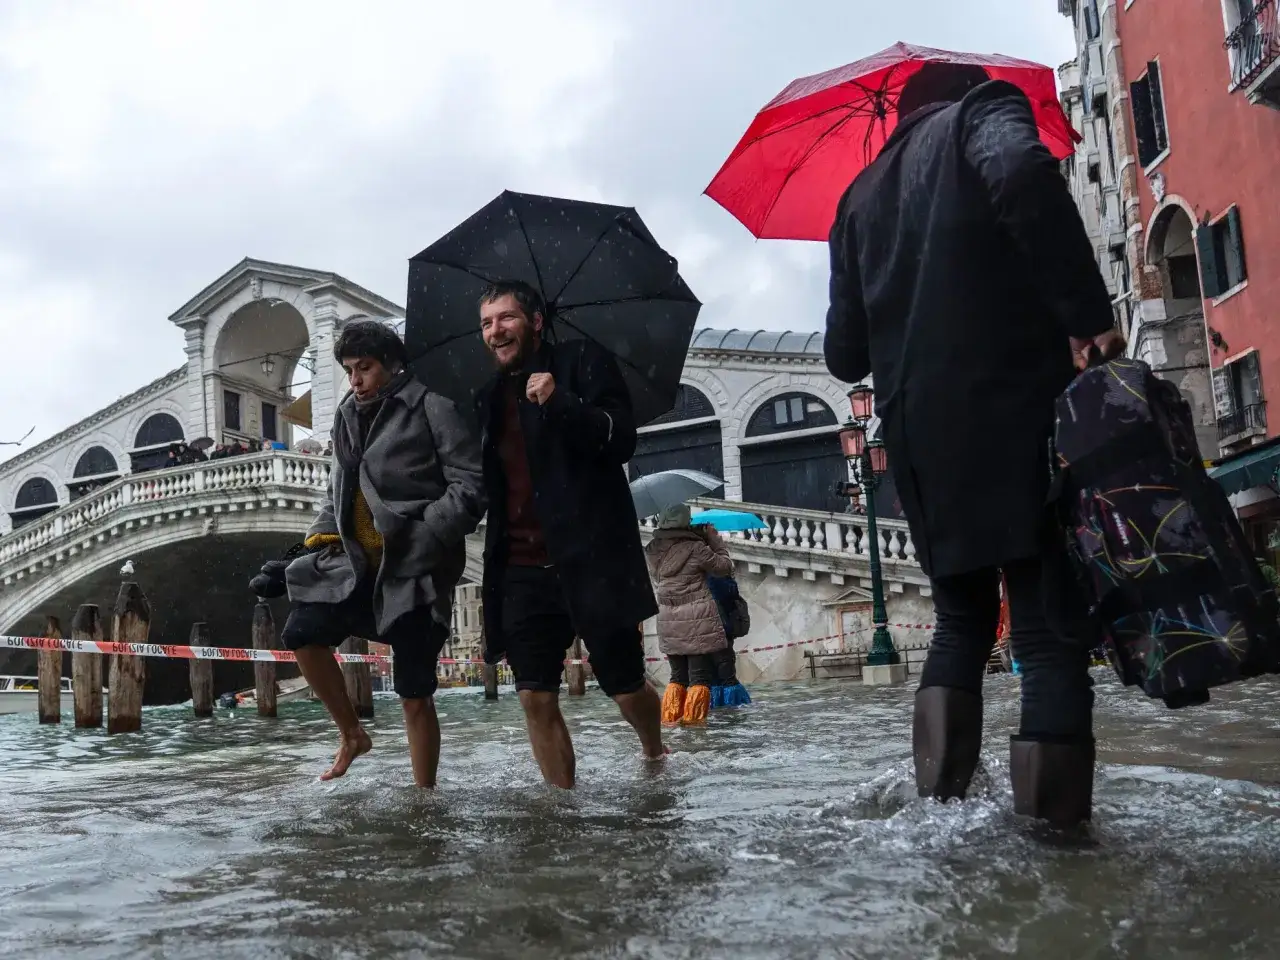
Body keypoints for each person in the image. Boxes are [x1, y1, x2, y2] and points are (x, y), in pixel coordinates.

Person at [824, 63, 1125, 827]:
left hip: (919, 441)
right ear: (960, 95)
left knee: (961, 620)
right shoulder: (984, 114)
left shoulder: (855, 201)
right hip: (1013, 410)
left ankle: (938, 814)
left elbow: (843, 357)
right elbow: (1023, 171)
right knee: (1046, 627)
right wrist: (1087, 314)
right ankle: (1056, 840)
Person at [476, 279, 665, 788]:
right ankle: (563, 810)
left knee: (623, 686)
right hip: (519, 566)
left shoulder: (584, 363)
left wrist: (559, 402)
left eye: (506, 318)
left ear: (535, 322)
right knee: (534, 695)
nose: (496, 331)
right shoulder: (488, 398)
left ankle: (654, 750)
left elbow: (620, 439)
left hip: (591, 557)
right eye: (487, 323)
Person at [279, 320, 486, 785]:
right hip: (356, 567)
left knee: (414, 693)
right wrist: (305, 549)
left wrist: (427, 533)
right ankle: (352, 734)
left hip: (415, 570)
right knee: (302, 633)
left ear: (392, 365)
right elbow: (337, 492)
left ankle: (424, 796)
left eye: (364, 368)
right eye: (349, 370)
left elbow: (470, 484)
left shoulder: (432, 405)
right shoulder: (348, 412)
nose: (355, 380)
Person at [644, 505, 735, 723]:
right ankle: (694, 725)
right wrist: (716, 544)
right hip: (697, 617)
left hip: (667, 617)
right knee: (699, 677)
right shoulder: (696, 548)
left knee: (677, 677)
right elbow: (724, 568)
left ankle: (671, 720)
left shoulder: (651, 548)